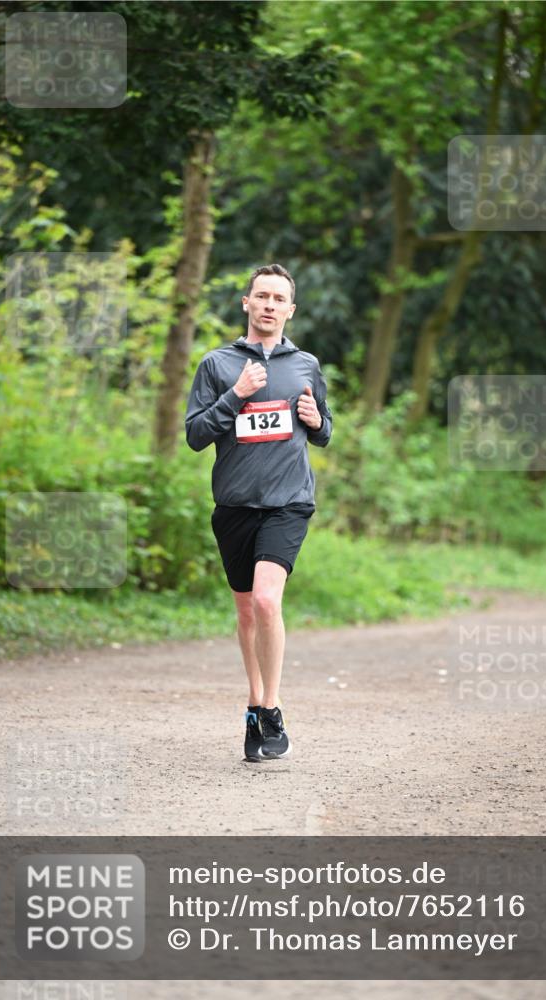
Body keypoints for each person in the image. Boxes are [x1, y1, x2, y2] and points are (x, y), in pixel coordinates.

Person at [185, 263, 333, 762]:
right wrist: (236, 395)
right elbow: (196, 435)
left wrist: (318, 423)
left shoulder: (306, 365)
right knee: (246, 609)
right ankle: (254, 703)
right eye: (261, 296)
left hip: (288, 502)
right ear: (246, 304)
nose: (269, 305)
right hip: (234, 505)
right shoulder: (217, 365)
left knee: (268, 601)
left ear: (290, 310)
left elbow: (324, 426)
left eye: (279, 298)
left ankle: (271, 708)